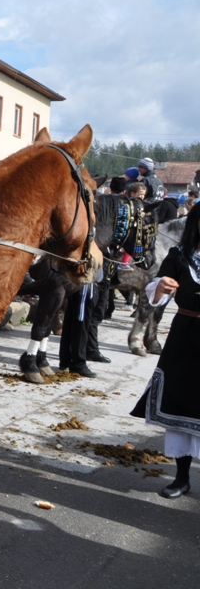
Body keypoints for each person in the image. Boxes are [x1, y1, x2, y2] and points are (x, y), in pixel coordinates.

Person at [131, 202, 200, 498]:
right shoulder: (179, 255)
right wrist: (162, 286)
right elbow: (156, 290)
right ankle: (181, 478)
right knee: (180, 406)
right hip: (186, 336)